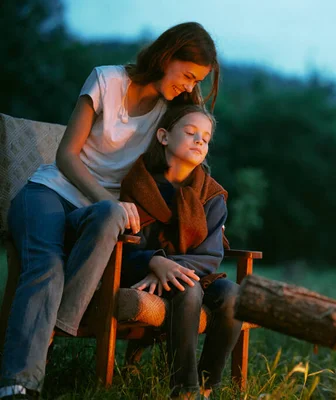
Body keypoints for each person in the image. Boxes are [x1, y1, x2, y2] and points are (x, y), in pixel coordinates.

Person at [1, 22, 220, 399]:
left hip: (103, 216)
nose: (188, 85)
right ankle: (19, 385)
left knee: (111, 216)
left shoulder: (171, 111)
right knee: (47, 265)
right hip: (49, 194)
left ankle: (56, 328)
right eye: (186, 75)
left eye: (195, 80)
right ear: (167, 56)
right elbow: (66, 155)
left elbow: (194, 141)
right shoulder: (106, 81)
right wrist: (106, 198)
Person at [119, 104, 241, 400]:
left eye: (206, 137)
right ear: (163, 136)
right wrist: (153, 261)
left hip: (195, 272)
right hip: (140, 274)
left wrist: (169, 266)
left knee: (235, 295)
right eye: (190, 132)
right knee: (189, 290)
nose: (200, 140)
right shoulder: (138, 184)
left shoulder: (211, 195)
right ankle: (184, 390)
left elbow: (210, 254)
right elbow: (123, 245)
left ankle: (208, 383)